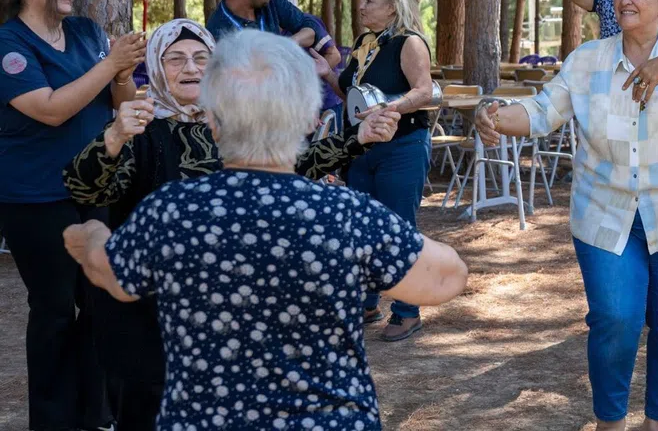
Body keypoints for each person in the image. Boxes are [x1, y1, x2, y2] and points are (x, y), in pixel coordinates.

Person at [62, 30, 468, 431]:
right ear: (308, 120)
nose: (190, 68)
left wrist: (92, 236)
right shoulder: (347, 216)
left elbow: (109, 271)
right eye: (175, 58)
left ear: (216, 123)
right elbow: (447, 276)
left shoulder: (170, 212)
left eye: (200, 58)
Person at [475, 0, 658, 431]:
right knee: (615, 320)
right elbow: (540, 113)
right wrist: (493, 112)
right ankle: (611, 422)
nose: (625, 0)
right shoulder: (587, 60)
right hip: (606, 211)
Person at [0, 0, 146, 431]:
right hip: (36, 199)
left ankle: (96, 412)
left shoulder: (86, 32)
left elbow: (122, 102)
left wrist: (123, 71)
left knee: (103, 302)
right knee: (56, 309)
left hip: (94, 189)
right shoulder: (9, 44)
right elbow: (50, 110)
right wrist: (111, 64)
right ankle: (52, 417)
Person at [318, 0, 437, 341]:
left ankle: (406, 311)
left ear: (391, 6)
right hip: (360, 148)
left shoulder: (409, 42)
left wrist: (390, 108)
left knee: (398, 230)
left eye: (369, 0)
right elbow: (353, 98)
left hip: (401, 148)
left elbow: (425, 90)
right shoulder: (364, 43)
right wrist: (328, 75)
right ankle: (367, 303)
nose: (362, 6)